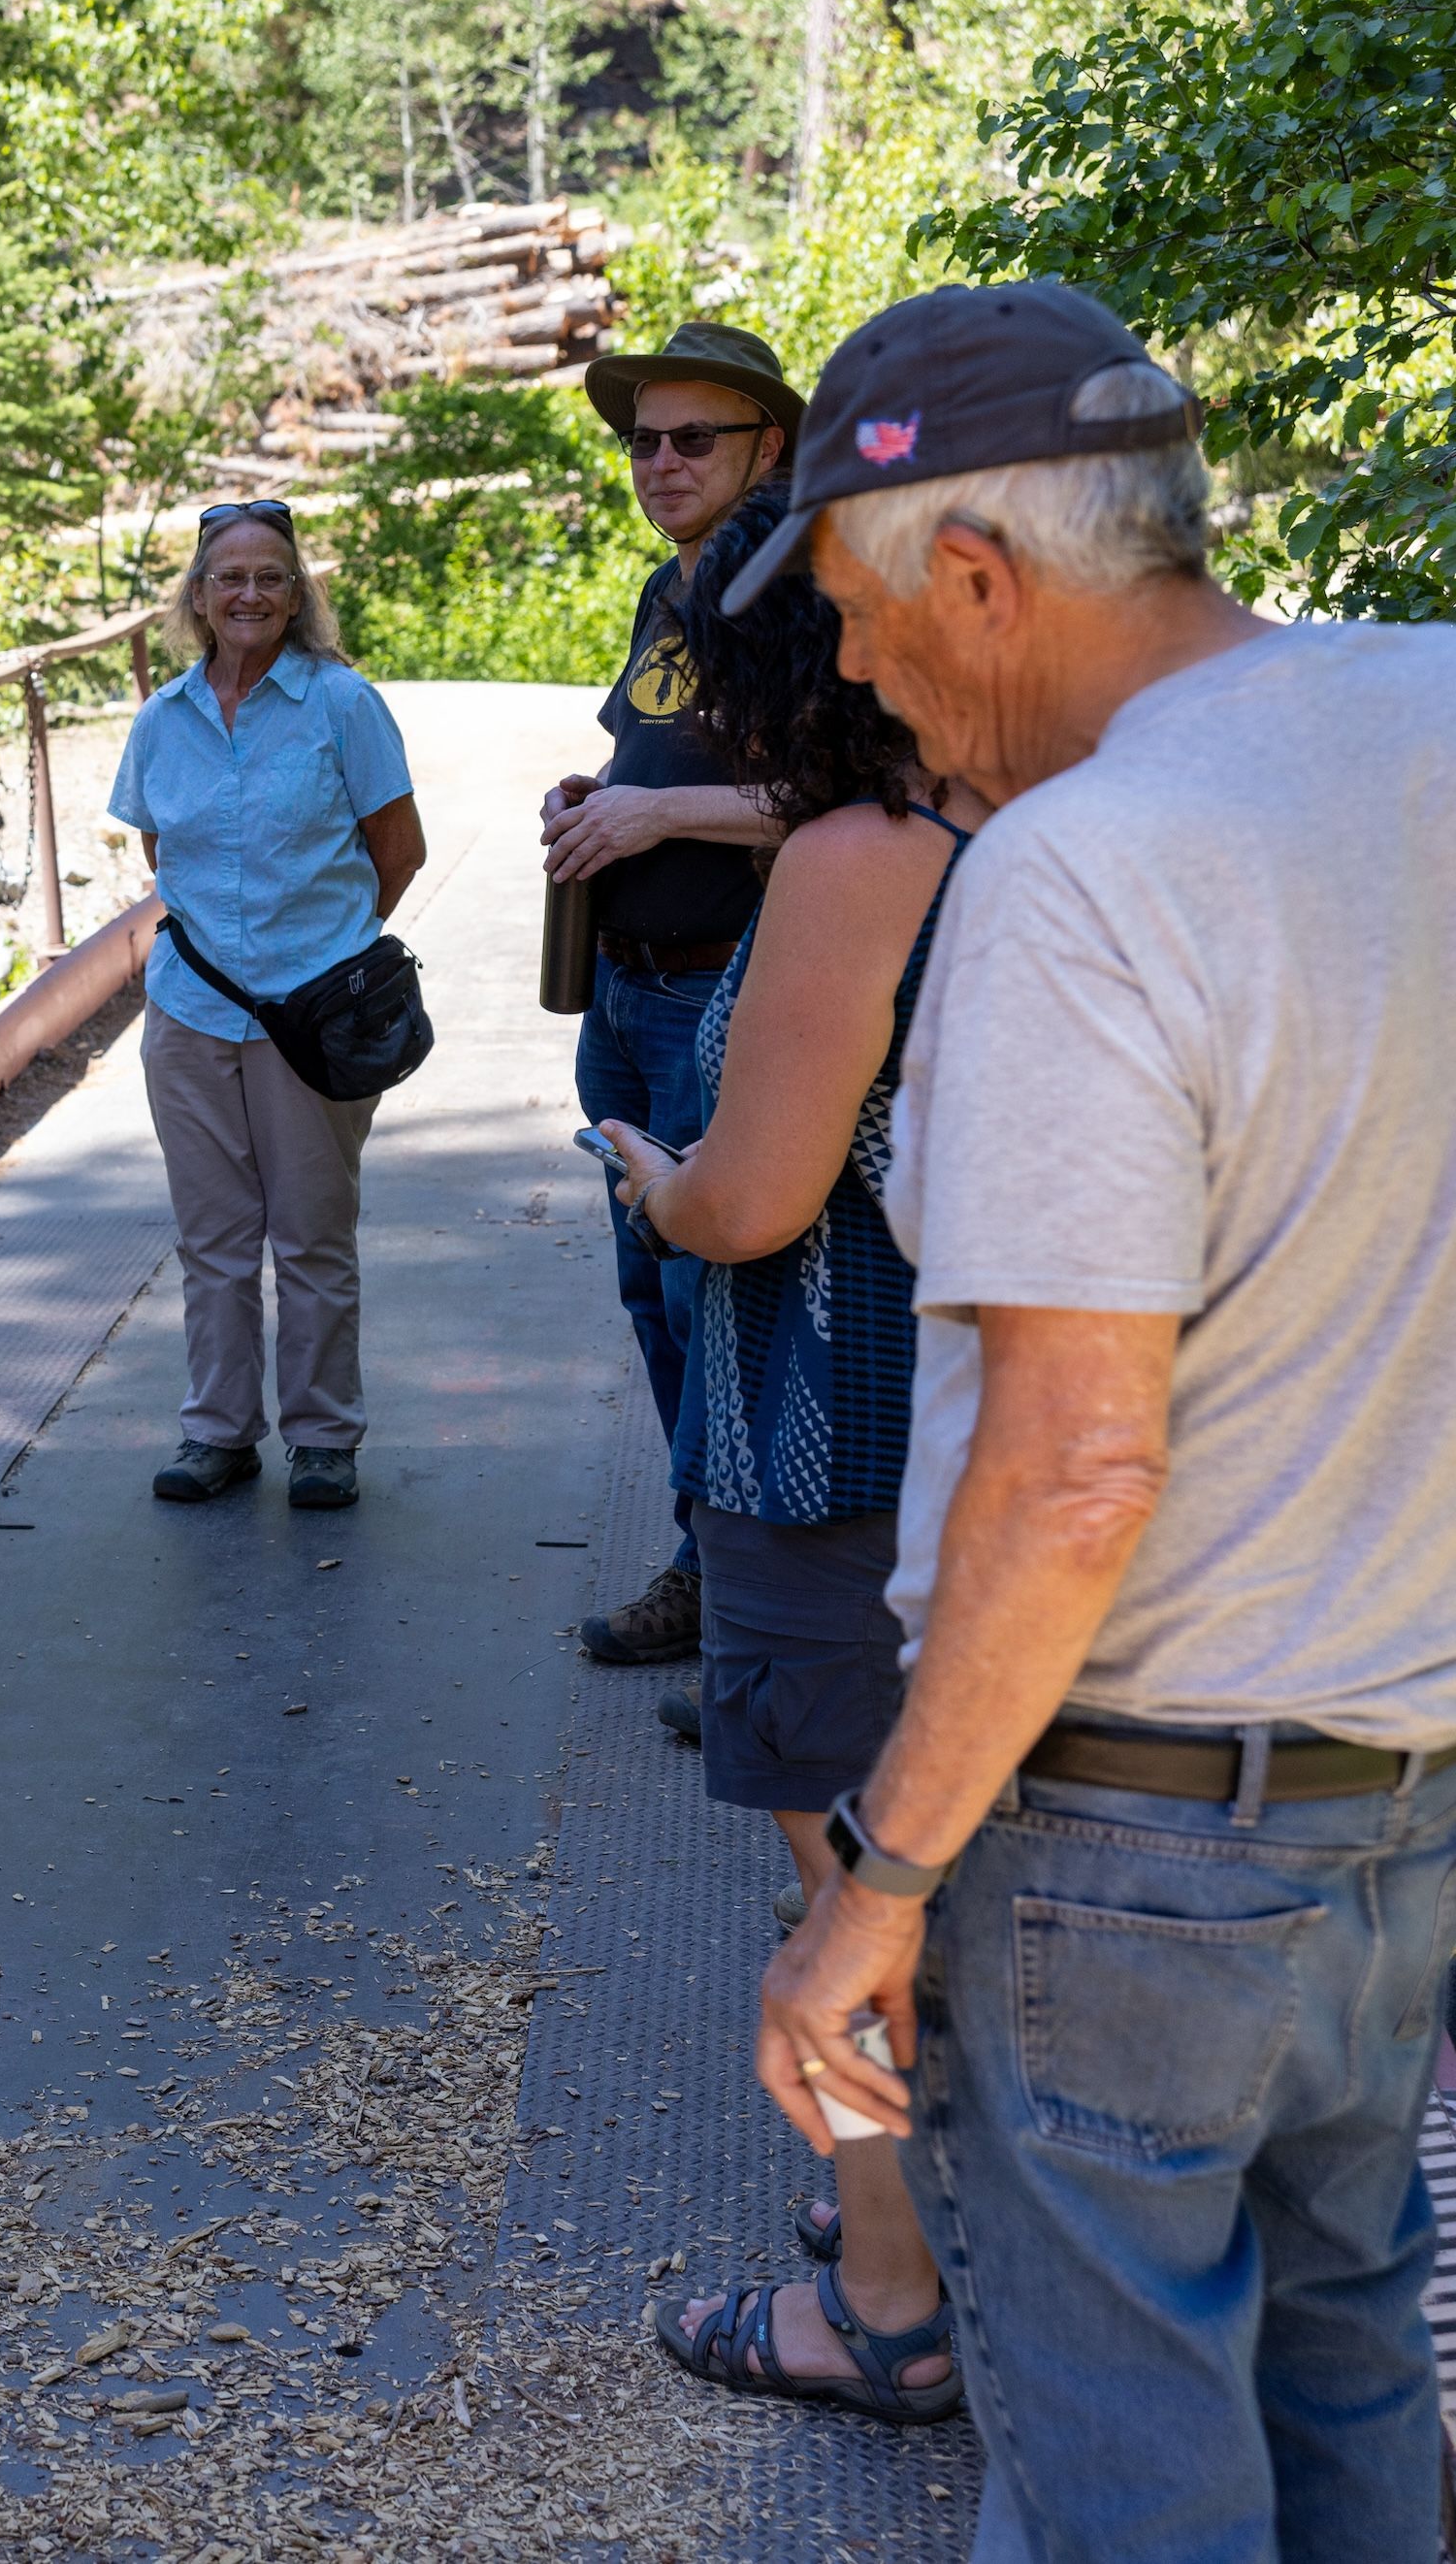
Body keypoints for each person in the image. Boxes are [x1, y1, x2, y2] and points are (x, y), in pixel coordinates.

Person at [742, 281, 1456, 2561]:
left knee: (1123, 2476)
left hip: (1130, 1841)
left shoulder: (1076, 873)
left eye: (854, 618)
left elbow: (1072, 1467)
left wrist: (881, 1880)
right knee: (1347, 2371)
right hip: (1406, 1801)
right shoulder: (1429, 710)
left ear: (972, 577)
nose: (853, 679)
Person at [607, 489, 981, 2427]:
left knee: (845, 1886)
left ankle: (890, 2299)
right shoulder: (1008, 828)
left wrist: (661, 1186)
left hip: (820, 1428)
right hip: (963, 1425)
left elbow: (760, 1198)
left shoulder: (854, 854)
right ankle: (912, 2219)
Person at [545, 321, 799, 1669]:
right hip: (626, 996)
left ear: (770, 447)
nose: (659, 460)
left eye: (692, 436)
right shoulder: (671, 589)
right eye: (643, 438)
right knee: (657, 1297)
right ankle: (714, 1571)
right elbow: (648, 754)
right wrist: (600, 804)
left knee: (729, 1299)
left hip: (731, 1003)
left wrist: (658, 819)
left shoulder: (796, 594)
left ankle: (759, 1610)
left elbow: (844, 802)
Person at [113, 503, 425, 1512]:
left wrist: (324, 953)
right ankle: (217, 1433)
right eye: (228, 576)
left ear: (298, 597)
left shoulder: (342, 703)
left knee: (311, 1234)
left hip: (313, 1018)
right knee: (211, 1236)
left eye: (270, 577)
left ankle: (325, 1438)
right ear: (197, 597)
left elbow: (397, 849)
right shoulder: (163, 719)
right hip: (191, 1013)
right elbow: (164, 856)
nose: (248, 593)